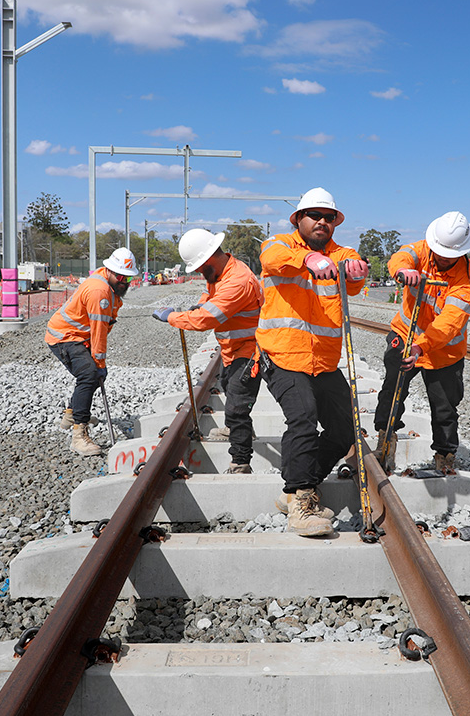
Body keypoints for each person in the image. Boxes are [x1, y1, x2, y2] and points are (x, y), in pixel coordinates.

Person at [258, 187, 369, 536]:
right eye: (314, 216)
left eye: (329, 217)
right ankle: (303, 505)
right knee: (303, 418)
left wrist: (355, 269)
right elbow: (271, 259)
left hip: (322, 360)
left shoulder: (341, 253)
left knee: (344, 427)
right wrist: (307, 260)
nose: (322, 222)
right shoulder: (278, 245)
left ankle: (291, 490)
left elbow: (354, 277)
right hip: (283, 354)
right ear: (298, 220)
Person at [375, 211, 470, 475]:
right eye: (440, 251)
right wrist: (402, 270)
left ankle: (445, 456)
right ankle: (385, 443)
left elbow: (449, 323)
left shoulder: (468, 280)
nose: (443, 257)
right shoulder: (420, 251)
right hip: (404, 335)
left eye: (450, 254)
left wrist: (421, 346)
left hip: (443, 351)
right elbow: (401, 256)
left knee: (445, 407)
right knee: (392, 392)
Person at [152, 229, 264, 474]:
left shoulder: (238, 280)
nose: (202, 274)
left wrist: (172, 317)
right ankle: (238, 429)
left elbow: (207, 319)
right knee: (229, 388)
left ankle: (241, 462)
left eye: (201, 268)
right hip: (232, 349)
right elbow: (210, 295)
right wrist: (201, 303)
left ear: (210, 258)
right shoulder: (220, 273)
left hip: (249, 350)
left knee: (236, 404)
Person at [45, 247, 140, 456]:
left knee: (92, 375)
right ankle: (79, 435)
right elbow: (99, 331)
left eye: (128, 278)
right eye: (121, 276)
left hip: (78, 335)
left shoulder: (107, 283)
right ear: (110, 271)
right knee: (89, 374)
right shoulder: (100, 292)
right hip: (64, 337)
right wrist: (100, 363)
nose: (124, 281)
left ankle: (72, 414)